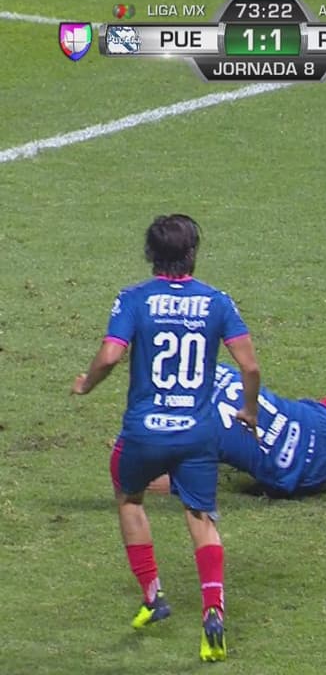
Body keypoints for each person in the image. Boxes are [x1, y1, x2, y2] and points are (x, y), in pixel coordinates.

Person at [70, 214, 261, 662]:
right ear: (193, 253)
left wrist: (86, 383)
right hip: (197, 433)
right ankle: (213, 611)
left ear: (150, 254)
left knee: (129, 496)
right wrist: (249, 409)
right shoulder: (217, 301)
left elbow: (111, 355)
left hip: (144, 432)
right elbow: (250, 366)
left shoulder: (134, 298)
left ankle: (153, 594)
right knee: (201, 517)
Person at [146, 363, 326, 499]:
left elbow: (188, 481)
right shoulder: (221, 369)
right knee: (317, 411)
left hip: (296, 470)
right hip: (317, 423)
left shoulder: (196, 430)